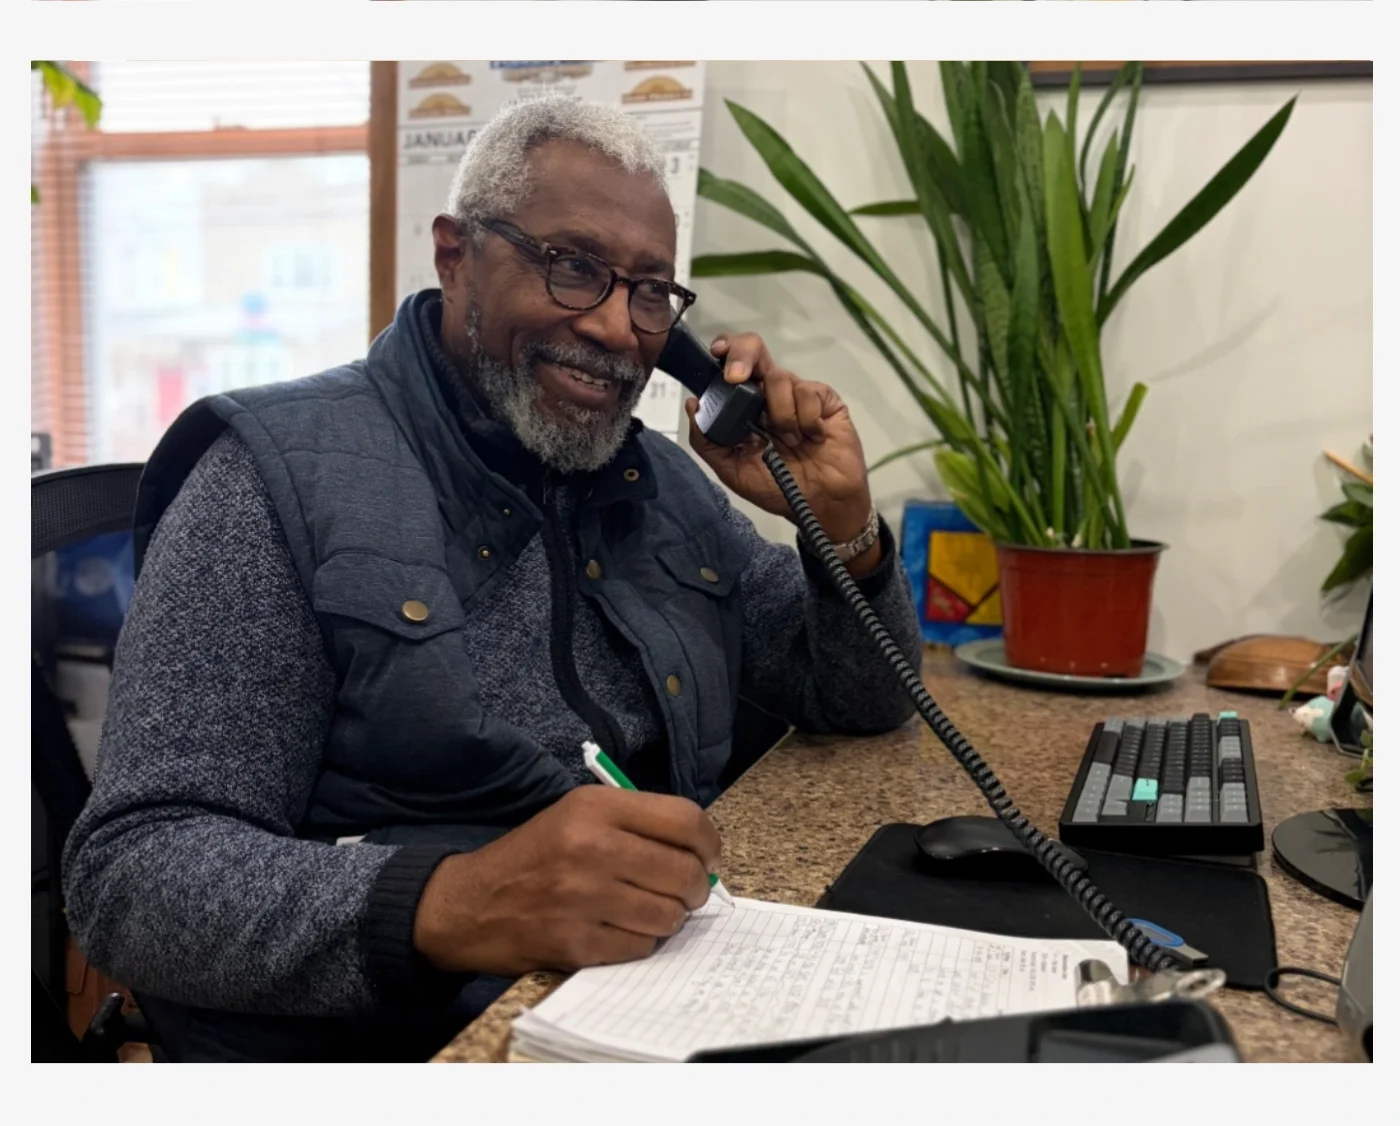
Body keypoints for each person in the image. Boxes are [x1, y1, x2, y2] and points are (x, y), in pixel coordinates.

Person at [63, 97, 921, 1062]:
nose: (612, 326)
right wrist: (449, 900)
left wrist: (839, 526)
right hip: (404, 1047)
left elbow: (862, 699)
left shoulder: (660, 480)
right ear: (455, 253)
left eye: (649, 293)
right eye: (572, 267)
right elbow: (130, 879)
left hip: (661, 996)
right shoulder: (273, 477)